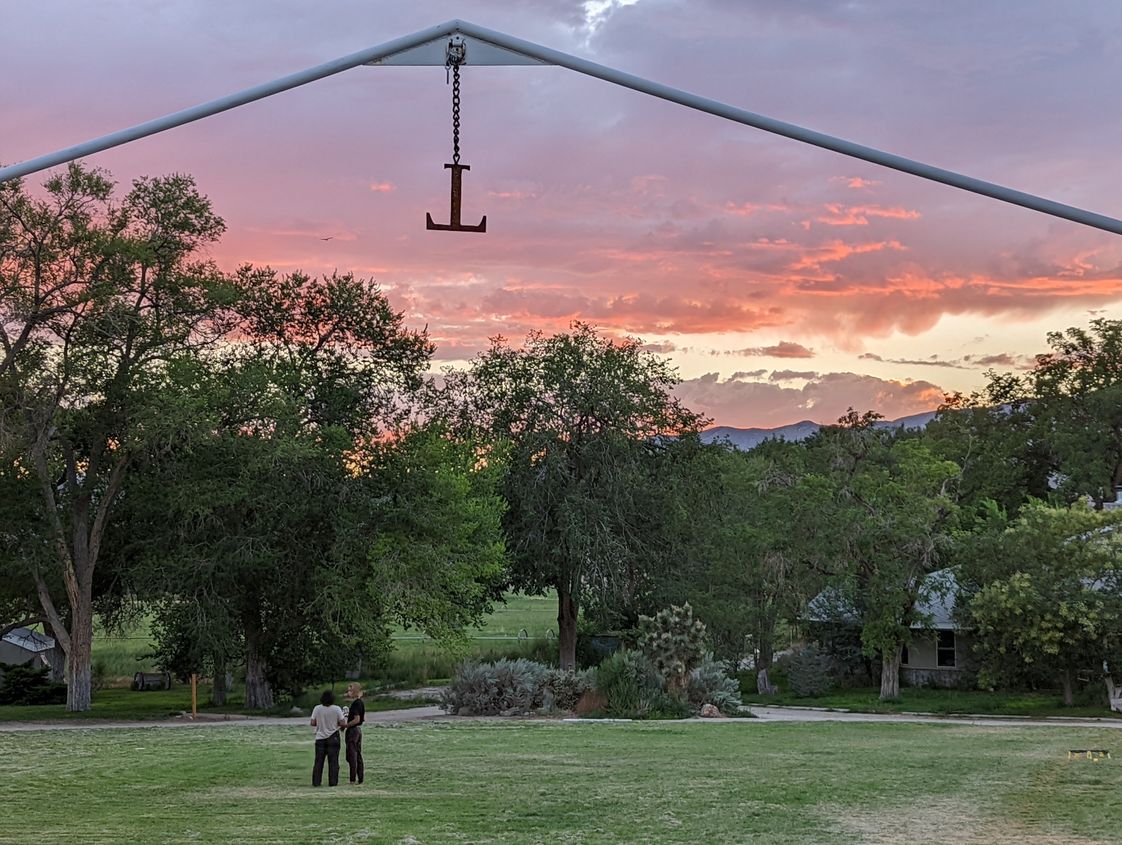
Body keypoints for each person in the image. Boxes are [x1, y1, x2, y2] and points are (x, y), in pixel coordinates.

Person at [309, 689, 346, 787]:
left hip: (320, 737)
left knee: (318, 761)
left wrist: (321, 722)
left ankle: (316, 782)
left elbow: (312, 722)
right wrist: (337, 724)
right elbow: (343, 723)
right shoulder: (337, 709)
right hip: (333, 736)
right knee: (333, 761)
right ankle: (333, 782)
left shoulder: (317, 708)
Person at [342, 682, 366, 784]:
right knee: (357, 754)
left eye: (350, 690)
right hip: (358, 730)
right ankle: (360, 777)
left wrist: (346, 725)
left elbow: (357, 719)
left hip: (353, 731)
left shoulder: (356, 703)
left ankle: (352, 779)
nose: (348, 692)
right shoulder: (360, 702)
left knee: (352, 755)